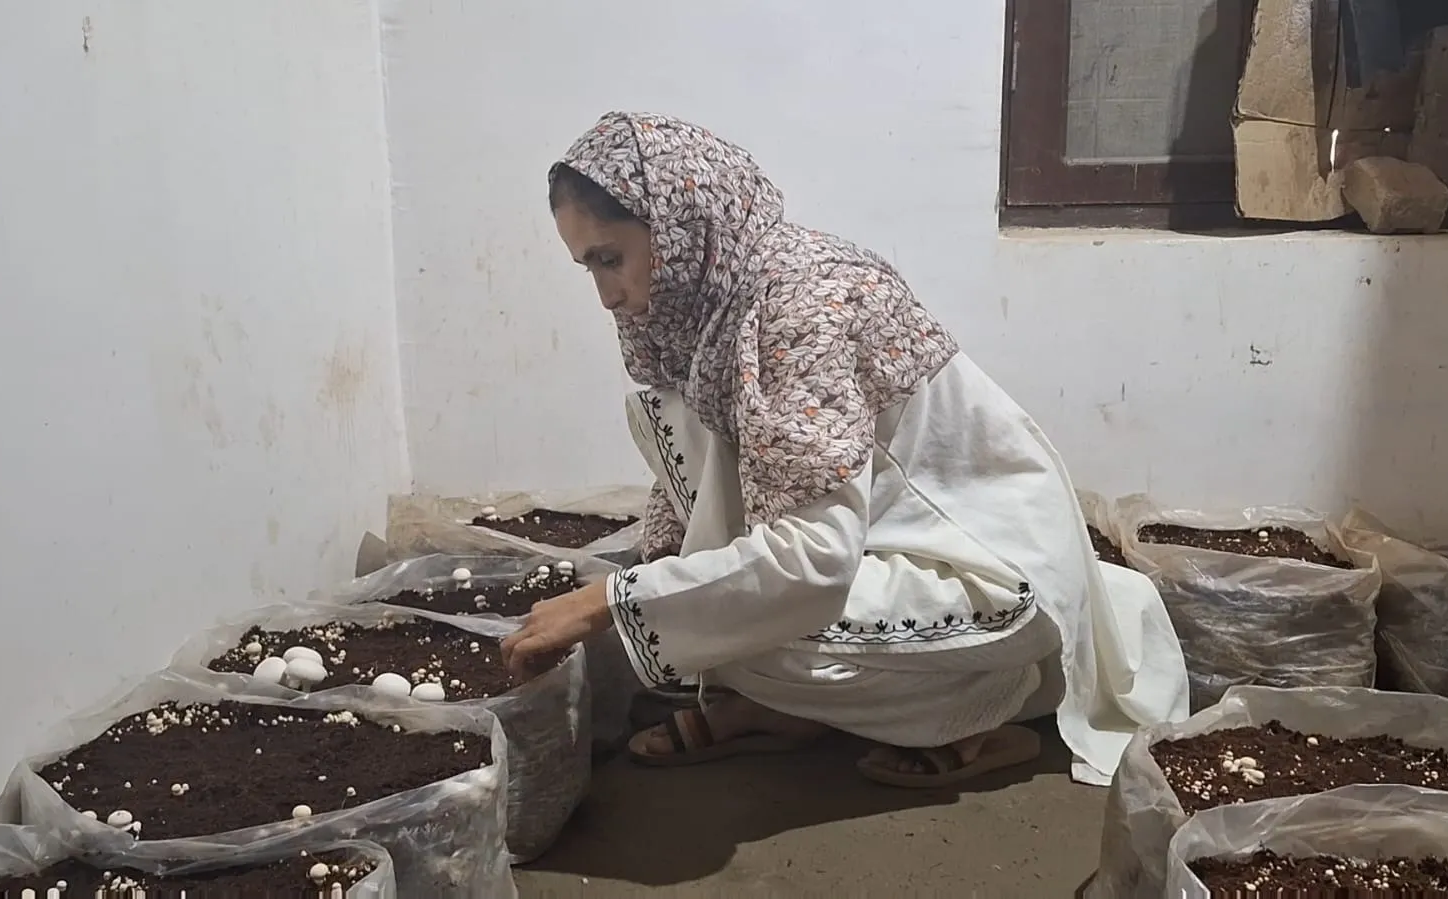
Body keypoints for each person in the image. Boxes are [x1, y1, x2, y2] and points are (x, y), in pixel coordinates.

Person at [500, 111, 1189, 788]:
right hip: (884, 547)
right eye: (587, 266)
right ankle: (808, 715)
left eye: (609, 258)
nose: (604, 296)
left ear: (681, 228)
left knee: (743, 640)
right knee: (697, 617)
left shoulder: (798, 301)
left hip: (983, 564)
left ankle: (990, 700)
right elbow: (699, 475)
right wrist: (654, 576)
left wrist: (610, 602)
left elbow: (812, 561)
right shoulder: (699, 308)